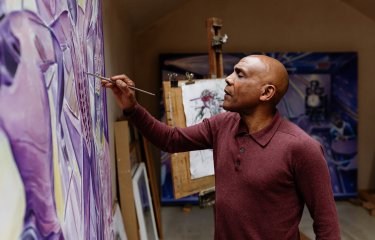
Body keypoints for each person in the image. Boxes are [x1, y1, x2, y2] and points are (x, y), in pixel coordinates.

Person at [103, 55, 340, 239]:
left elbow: (327, 226)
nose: (228, 78)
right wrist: (131, 106)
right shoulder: (223, 124)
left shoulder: (302, 148)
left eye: (240, 74)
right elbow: (170, 140)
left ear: (266, 93)